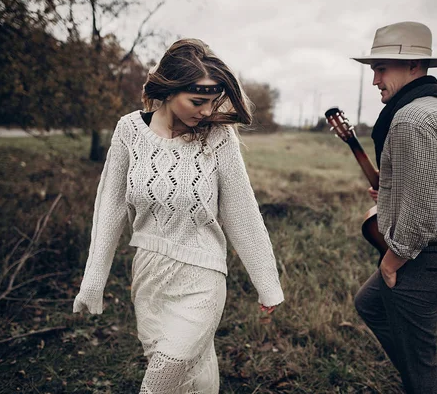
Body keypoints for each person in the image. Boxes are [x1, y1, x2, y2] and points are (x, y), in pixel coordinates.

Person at [73, 38, 284, 393]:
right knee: (192, 372)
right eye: (197, 101)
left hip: (202, 278)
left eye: (211, 102)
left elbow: (242, 212)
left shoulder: (218, 138)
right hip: (150, 277)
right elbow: (109, 206)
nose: (205, 111)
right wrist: (93, 279)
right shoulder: (129, 131)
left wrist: (267, 284)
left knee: (162, 378)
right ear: (169, 90)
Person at [351, 22, 437, 393]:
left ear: (414, 67)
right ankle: (415, 363)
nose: (375, 80)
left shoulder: (409, 120)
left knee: (421, 373)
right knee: (370, 304)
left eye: (382, 69)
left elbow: (423, 210)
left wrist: (393, 259)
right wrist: (393, 195)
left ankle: (419, 374)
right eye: (374, 69)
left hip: (422, 258)